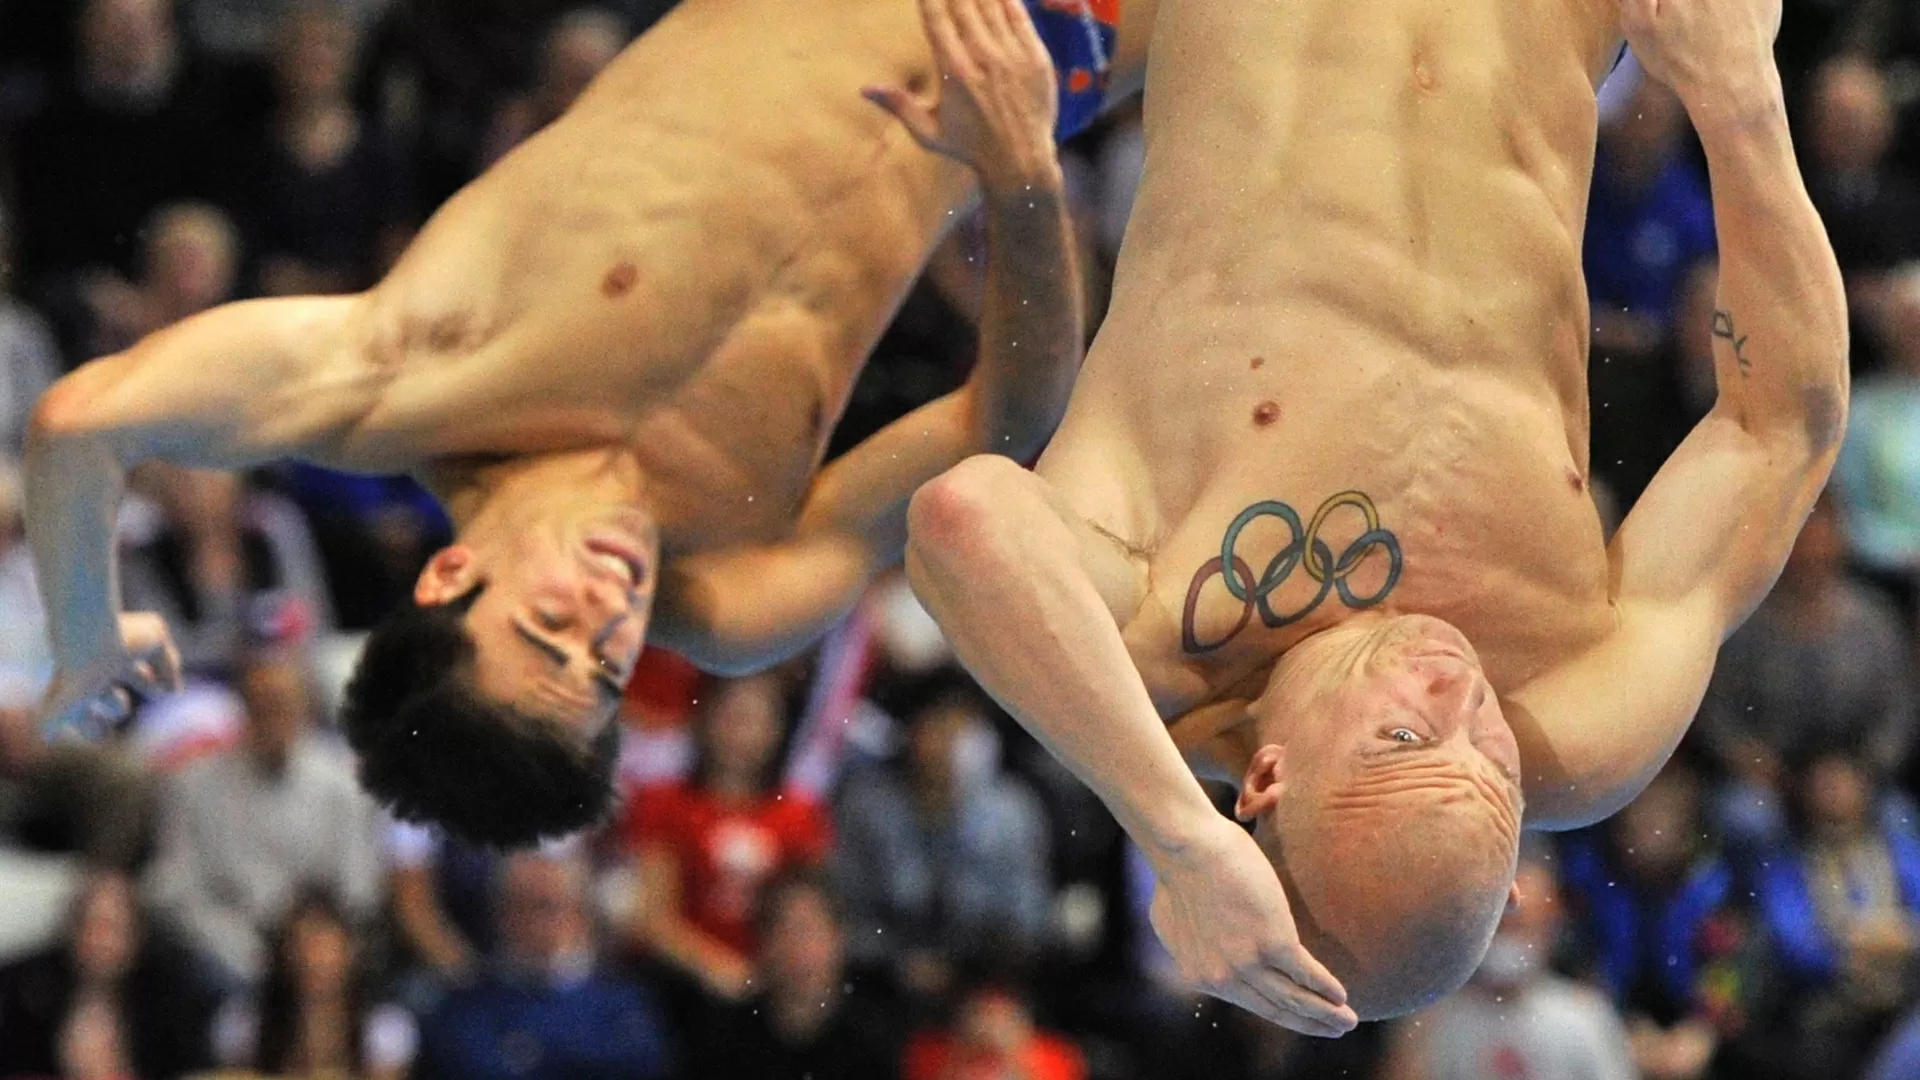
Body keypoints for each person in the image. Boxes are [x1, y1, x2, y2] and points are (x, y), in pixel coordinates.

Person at [903, 0, 1847, 1033]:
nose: (1461, 689)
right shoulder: (1579, 709)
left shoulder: (1147, 638)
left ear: (1267, 780)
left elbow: (964, 517)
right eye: (1493, 757)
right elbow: (1778, 431)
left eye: (1406, 735)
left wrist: (1178, 836)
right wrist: (1743, 103)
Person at [25, 0, 1155, 849]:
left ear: (449, 577)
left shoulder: (411, 372)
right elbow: (1002, 426)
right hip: (1057, 55)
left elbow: (83, 418)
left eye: (544, 631)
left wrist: (86, 633)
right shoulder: (727, 588)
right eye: (604, 672)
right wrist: (1021, 174)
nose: (607, 623)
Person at [143, 648, 384, 987]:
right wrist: (245, 951)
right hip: (225, 947)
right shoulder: (193, 785)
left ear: (305, 709)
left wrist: (312, 948)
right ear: (243, 709)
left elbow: (357, 892)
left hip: (318, 948)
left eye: (282, 703)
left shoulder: (343, 786)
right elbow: (177, 889)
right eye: (261, 704)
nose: (272, 716)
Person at [620, 671, 831, 1002]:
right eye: (732, 717)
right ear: (704, 718)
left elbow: (810, 911)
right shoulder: (665, 803)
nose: (741, 734)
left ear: (777, 729)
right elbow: (653, 917)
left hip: (771, 982)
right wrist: (718, 968)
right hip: (678, 982)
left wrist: (770, 971)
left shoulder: (799, 815)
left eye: (756, 720)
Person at [413, 848, 676, 1080]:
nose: (539, 923)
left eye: (550, 906)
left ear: (579, 915)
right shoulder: (465, 1009)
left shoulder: (623, 1005)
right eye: (522, 906)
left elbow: (640, 1065)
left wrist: (534, 1053)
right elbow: (474, 1067)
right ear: (499, 916)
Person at [1382, 852, 1638, 1080]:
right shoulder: (1435, 1018)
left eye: (1521, 928)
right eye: (1501, 929)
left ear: (1549, 928)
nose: (1508, 942)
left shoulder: (1584, 1017)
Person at [695, 869, 899, 1080]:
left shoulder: (875, 1036)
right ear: (762, 943)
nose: (797, 949)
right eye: (784, 930)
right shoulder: (726, 1038)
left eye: (809, 930)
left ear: (839, 939)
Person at [211, 888, 418, 1080]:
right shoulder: (243, 1026)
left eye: (325, 947)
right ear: (282, 953)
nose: (312, 959)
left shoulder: (385, 1029)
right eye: (302, 944)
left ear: (350, 954)